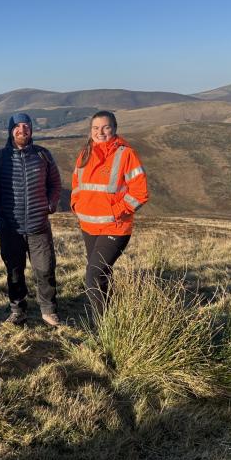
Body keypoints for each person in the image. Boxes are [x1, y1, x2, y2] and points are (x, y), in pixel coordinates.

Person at [70, 110, 149, 318]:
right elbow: (77, 184)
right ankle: (113, 318)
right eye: (96, 128)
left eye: (106, 127)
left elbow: (140, 193)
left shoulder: (126, 154)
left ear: (114, 129)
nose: (100, 132)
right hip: (88, 226)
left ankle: (101, 329)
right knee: (102, 275)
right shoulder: (85, 153)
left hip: (115, 227)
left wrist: (116, 212)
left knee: (93, 275)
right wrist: (76, 205)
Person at [0, 113, 62, 327]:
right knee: (14, 271)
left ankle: (48, 309)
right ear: (10, 130)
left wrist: (51, 204)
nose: (22, 130)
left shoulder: (43, 156)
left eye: (26, 126)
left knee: (45, 269)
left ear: (31, 130)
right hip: (10, 227)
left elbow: (55, 184)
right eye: (17, 126)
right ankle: (18, 310)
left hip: (38, 225)